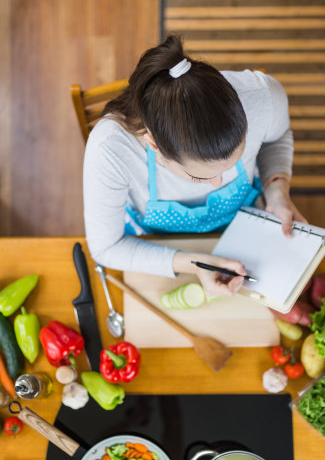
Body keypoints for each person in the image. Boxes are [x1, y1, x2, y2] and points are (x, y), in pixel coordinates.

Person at [83, 35, 307, 297]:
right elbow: (106, 248)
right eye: (199, 177)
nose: (219, 182)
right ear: (153, 146)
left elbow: (277, 138)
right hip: (158, 241)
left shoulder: (263, 97)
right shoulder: (110, 148)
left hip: (246, 219)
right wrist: (194, 264)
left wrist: (277, 189)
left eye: (235, 160)